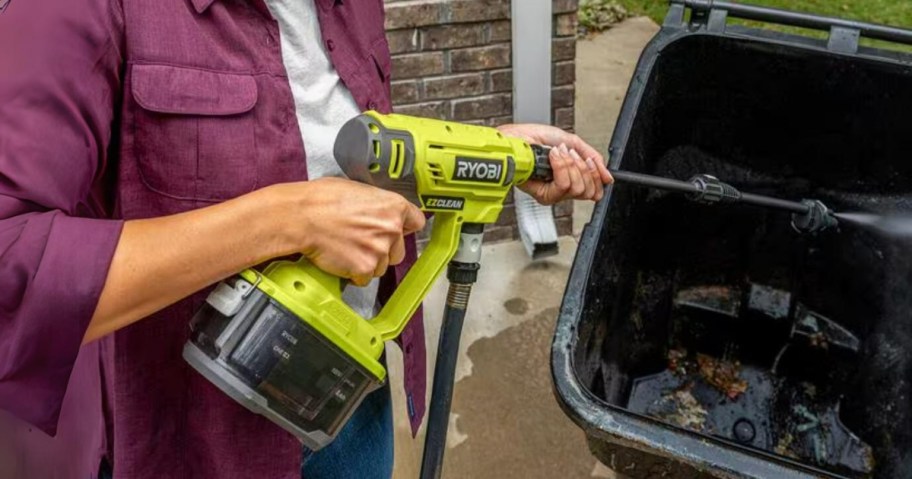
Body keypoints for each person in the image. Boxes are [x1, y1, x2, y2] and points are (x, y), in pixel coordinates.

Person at [0, 0, 613, 477]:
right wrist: (283, 219)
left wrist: (492, 152)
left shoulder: (348, 7)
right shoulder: (72, 10)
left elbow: (339, 152)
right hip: (189, 444)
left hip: (344, 408)